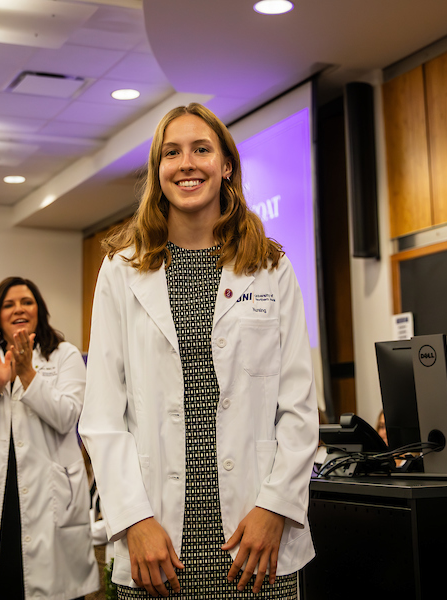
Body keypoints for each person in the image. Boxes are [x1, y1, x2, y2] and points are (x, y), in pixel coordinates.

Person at [81, 103, 318, 598]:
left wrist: (276, 507)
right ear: (158, 170)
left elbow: (296, 406)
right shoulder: (121, 272)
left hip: (257, 541)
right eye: (172, 153)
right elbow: (103, 416)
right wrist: (134, 520)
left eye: (201, 149)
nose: (186, 163)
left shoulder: (271, 268)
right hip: (158, 546)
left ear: (225, 165)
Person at [0, 276, 99, 600]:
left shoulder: (63, 356)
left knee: (52, 589)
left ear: (39, 310)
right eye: (9, 304)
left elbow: (67, 418)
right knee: (1, 584)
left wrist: (28, 373)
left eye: (26, 302)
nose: (18, 309)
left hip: (51, 497)